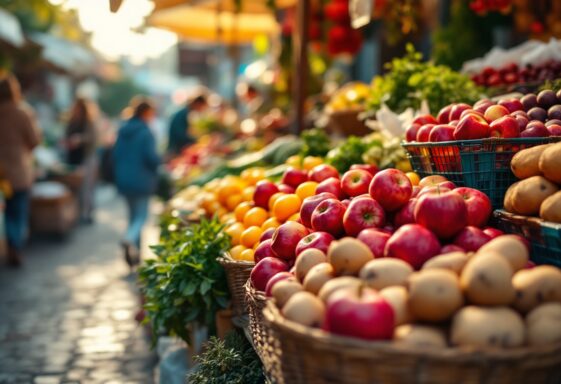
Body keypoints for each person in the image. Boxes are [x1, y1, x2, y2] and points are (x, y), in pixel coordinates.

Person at [113, 97, 160, 268]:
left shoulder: (122, 130)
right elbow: (151, 158)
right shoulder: (145, 132)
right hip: (142, 180)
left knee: (132, 217)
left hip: (124, 179)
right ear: (146, 113)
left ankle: (136, 256)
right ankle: (129, 239)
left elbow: (115, 155)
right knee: (141, 217)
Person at [0, 73, 41, 266]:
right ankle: (15, 244)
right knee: (18, 209)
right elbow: (34, 141)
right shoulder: (22, 112)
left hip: (1, 173)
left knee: (6, 210)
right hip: (18, 170)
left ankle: (10, 244)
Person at [64, 98, 98, 223]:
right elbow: (66, 136)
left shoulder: (88, 122)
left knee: (86, 187)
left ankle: (87, 213)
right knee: (76, 187)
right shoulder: (71, 122)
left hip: (86, 157)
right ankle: (77, 213)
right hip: (73, 158)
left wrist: (80, 139)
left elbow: (93, 138)